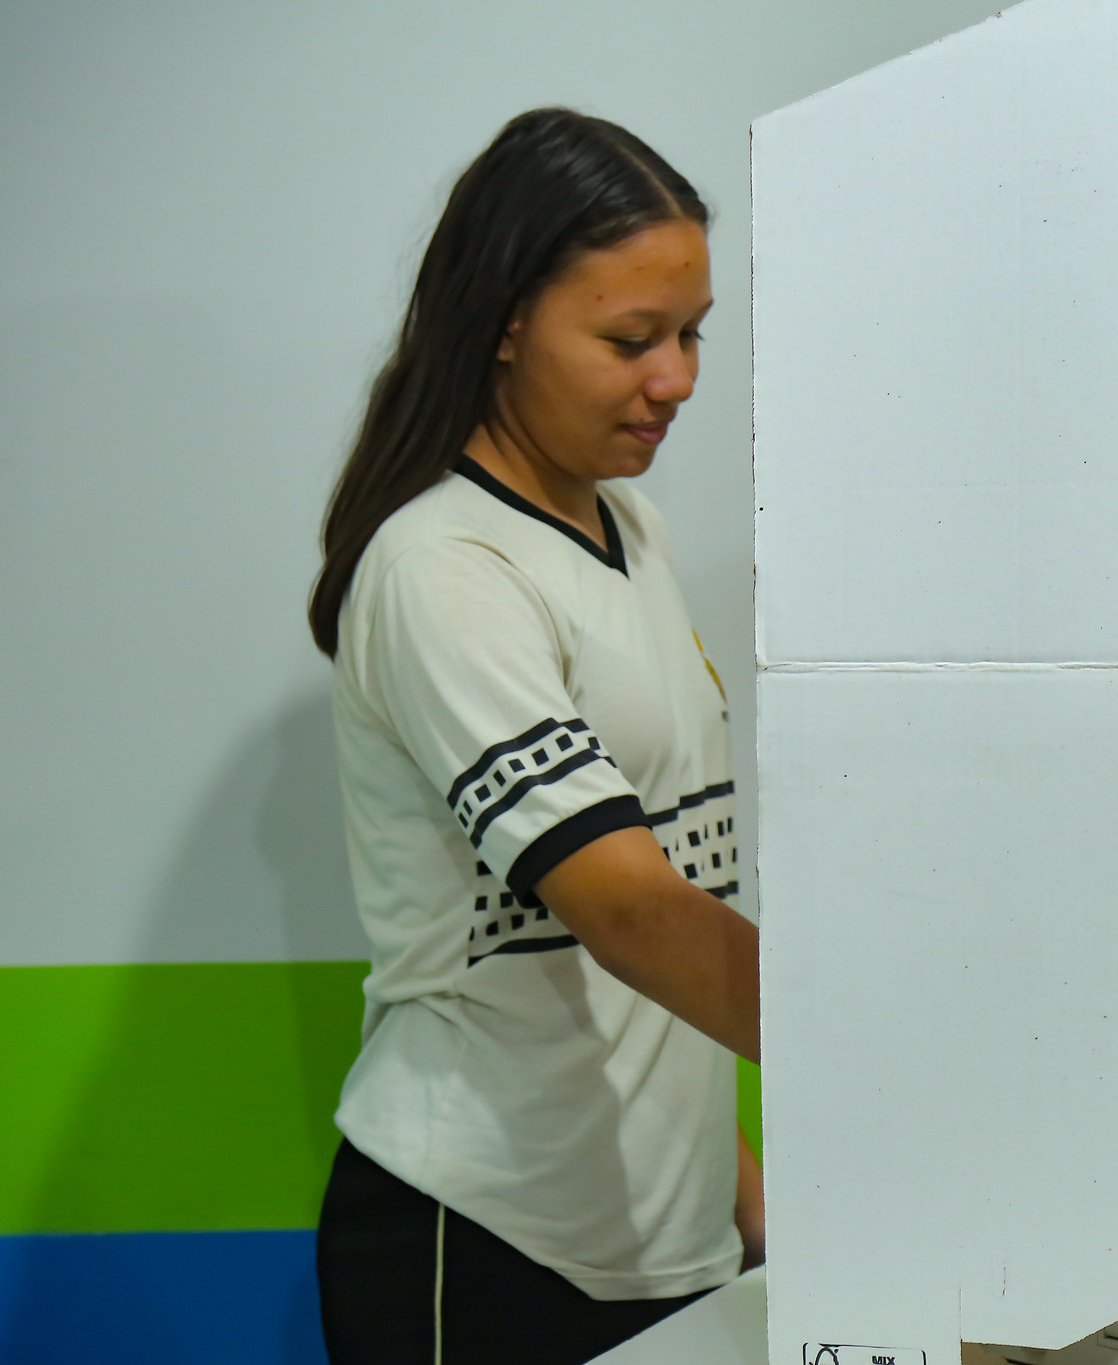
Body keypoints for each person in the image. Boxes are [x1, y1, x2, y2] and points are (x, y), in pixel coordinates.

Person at [307, 108, 762, 1364]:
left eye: (690, 335)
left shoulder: (633, 532)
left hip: (666, 1240)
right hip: (490, 1239)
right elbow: (620, 909)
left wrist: (749, 1201)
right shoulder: (440, 568)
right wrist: (874, 1047)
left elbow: (667, 904)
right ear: (506, 321)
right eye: (630, 339)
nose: (674, 378)